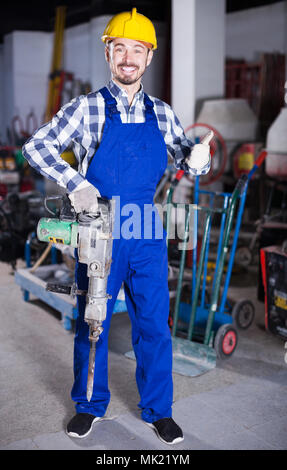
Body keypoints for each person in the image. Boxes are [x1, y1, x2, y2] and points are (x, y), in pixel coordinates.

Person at [22, 8, 212, 445]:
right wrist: (75, 182)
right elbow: (36, 146)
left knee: (153, 325)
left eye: (138, 50)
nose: (128, 58)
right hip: (99, 232)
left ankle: (158, 411)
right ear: (108, 54)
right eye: (120, 48)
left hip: (145, 230)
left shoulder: (163, 114)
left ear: (149, 58)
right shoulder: (86, 108)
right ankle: (90, 406)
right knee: (95, 322)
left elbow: (189, 159)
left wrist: (199, 161)